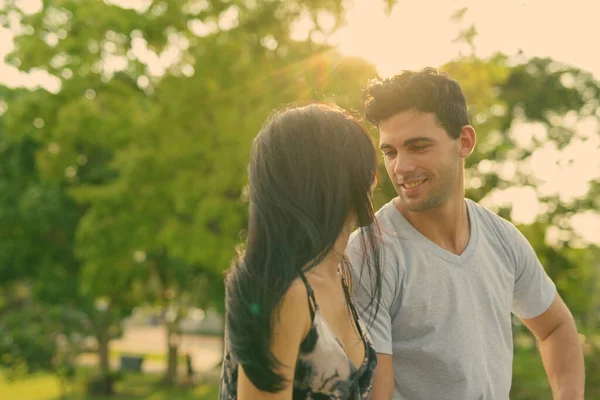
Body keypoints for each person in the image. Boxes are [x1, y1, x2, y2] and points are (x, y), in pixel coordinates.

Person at [347, 68, 585, 400]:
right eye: (390, 152)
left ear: (465, 142)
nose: (400, 167)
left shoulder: (502, 238)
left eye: (418, 146)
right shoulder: (369, 253)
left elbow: (556, 327)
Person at [220, 103, 384, 399]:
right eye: (367, 168)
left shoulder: (339, 273)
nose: (375, 181)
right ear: (332, 178)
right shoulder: (287, 294)